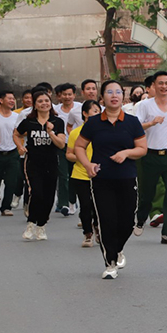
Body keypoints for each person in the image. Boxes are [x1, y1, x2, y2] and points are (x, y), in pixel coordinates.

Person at [74, 80, 147, 279]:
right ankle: (110, 263)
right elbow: (78, 147)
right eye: (109, 92)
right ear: (102, 96)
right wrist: (87, 165)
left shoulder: (132, 122)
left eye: (117, 92)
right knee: (106, 221)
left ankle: (117, 248)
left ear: (123, 96)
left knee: (126, 222)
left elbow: (142, 148)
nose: (114, 95)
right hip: (102, 180)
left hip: (127, 177)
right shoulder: (94, 123)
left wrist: (126, 153)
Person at [134, 71, 167, 244]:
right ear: (153, 85)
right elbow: (136, 127)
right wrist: (151, 122)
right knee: (147, 194)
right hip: (150, 156)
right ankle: (140, 220)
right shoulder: (145, 106)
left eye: (166, 83)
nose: (164, 87)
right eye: (160, 83)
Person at [13, 89, 65, 241]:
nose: (44, 104)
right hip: (33, 163)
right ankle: (31, 223)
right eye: (40, 101)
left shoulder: (57, 122)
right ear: (35, 105)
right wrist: (20, 146)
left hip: (51, 162)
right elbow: (16, 134)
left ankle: (41, 226)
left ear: (51, 103)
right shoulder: (29, 122)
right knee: (37, 193)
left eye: (47, 101)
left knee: (48, 196)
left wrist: (51, 133)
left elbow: (61, 144)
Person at [68, 100, 101, 247]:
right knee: (85, 205)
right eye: (94, 110)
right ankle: (88, 234)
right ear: (85, 113)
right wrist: (84, 160)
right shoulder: (76, 133)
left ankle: (98, 229)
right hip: (81, 175)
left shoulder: (105, 131)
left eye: (99, 110)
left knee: (99, 206)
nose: (97, 113)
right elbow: (69, 154)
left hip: (101, 175)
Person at [53, 82, 81, 217]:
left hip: (78, 147)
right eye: (64, 94)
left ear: (74, 95)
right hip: (62, 146)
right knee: (63, 175)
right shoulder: (55, 110)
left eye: (70, 94)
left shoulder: (81, 108)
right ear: (59, 96)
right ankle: (63, 203)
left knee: (75, 175)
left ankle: (72, 200)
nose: (67, 97)